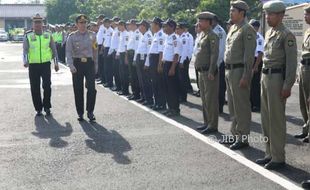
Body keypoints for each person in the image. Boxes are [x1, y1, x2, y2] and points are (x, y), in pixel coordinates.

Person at [255, 1, 297, 170]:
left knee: (276, 120)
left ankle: (278, 157)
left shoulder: (287, 35)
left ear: (280, 15)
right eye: (266, 14)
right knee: (266, 119)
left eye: (270, 14)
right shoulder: (269, 32)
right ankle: (269, 153)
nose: (267, 17)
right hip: (265, 77)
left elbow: (292, 64)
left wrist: (287, 85)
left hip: (277, 79)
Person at [222, 0, 256, 150]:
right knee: (232, 105)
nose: (230, 13)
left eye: (233, 11)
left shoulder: (247, 29)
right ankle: (235, 133)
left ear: (242, 13)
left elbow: (249, 56)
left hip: (239, 71)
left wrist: (246, 76)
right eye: (230, 10)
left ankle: (243, 137)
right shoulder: (234, 28)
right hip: (229, 70)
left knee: (241, 105)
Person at [23, 13, 59, 116]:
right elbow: (25, 50)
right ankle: (38, 108)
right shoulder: (28, 35)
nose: (38, 24)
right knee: (34, 86)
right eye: (36, 22)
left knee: (47, 85)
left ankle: (47, 106)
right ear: (33, 24)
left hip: (45, 64)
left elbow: (54, 49)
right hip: (33, 65)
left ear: (42, 23)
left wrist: (56, 63)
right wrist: (25, 61)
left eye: (39, 22)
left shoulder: (48, 34)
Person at [66, 14, 98, 122]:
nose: (83, 25)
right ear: (77, 24)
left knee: (92, 89)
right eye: (81, 23)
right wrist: (71, 65)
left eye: (85, 22)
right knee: (78, 89)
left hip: (89, 63)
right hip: (77, 64)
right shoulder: (72, 36)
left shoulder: (93, 35)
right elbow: (68, 52)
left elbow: (95, 51)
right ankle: (80, 113)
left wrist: (96, 64)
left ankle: (90, 111)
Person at [194, 12, 220, 134]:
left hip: (208, 72)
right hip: (201, 71)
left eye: (202, 21)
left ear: (209, 22)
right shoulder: (201, 35)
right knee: (204, 99)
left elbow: (214, 54)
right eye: (199, 20)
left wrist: (211, 70)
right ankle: (206, 122)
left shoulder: (212, 36)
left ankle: (213, 125)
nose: (199, 23)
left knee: (210, 99)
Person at [295, 4, 310, 143]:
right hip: (304, 68)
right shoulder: (307, 31)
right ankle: (306, 128)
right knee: (303, 102)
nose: (305, 16)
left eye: (307, 14)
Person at [162, 19, 182, 117]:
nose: (164, 28)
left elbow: (176, 54)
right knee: (166, 88)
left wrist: (173, 68)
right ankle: (170, 108)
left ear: (172, 27)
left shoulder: (175, 38)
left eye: (166, 26)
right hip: (166, 64)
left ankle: (175, 109)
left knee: (172, 88)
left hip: (171, 65)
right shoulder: (167, 37)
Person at [146, 17, 166, 110]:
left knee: (159, 83)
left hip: (157, 59)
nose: (151, 25)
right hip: (153, 59)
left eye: (152, 24)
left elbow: (161, 52)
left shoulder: (161, 35)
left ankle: (161, 103)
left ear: (157, 24)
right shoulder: (156, 34)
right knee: (154, 82)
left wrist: (159, 64)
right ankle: (157, 102)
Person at [134, 20, 153, 106]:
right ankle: (144, 97)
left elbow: (149, 51)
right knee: (141, 80)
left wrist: (147, 63)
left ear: (144, 26)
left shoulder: (148, 35)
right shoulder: (143, 35)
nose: (139, 28)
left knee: (146, 80)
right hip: (139, 58)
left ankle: (149, 99)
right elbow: (138, 48)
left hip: (144, 59)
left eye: (140, 26)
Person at [212, 15, 227, 114]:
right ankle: (214, 106)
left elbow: (220, 49)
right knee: (213, 87)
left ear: (215, 21)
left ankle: (219, 106)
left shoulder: (220, 31)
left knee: (220, 86)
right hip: (212, 62)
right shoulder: (211, 30)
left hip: (219, 63)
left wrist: (216, 64)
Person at [249, 19, 264, 112]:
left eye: (252, 26)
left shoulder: (259, 38)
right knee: (249, 84)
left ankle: (257, 105)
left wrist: (255, 66)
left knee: (255, 84)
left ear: (256, 28)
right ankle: (250, 103)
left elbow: (260, 53)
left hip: (256, 61)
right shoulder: (250, 36)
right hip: (250, 60)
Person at [126, 19, 141, 101]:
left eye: (131, 24)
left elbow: (137, 47)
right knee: (132, 75)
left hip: (133, 55)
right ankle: (134, 93)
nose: (129, 26)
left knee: (135, 76)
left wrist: (135, 59)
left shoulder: (138, 33)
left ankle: (137, 94)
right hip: (130, 54)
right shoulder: (131, 33)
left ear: (135, 25)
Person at [116, 20, 130, 95]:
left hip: (124, 54)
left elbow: (126, 46)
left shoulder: (126, 34)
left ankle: (125, 90)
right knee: (121, 73)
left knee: (125, 74)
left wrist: (126, 57)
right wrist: (117, 53)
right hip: (121, 54)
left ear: (122, 25)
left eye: (119, 25)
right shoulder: (121, 33)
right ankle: (123, 89)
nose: (118, 27)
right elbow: (120, 45)